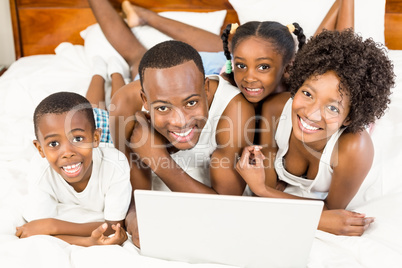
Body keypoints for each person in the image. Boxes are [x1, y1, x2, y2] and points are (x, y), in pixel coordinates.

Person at [236, 29, 395, 236]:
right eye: (307, 93)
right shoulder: (275, 110)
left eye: (333, 107)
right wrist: (265, 189)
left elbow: (332, 211)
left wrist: (262, 190)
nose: (311, 114)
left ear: (348, 117)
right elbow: (269, 186)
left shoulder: (354, 148)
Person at [124, 40, 255, 247]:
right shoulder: (125, 103)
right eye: (163, 108)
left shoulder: (234, 111)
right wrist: (133, 219)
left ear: (206, 89)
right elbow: (132, 196)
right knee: (132, 57)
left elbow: (224, 209)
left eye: (191, 103)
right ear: (145, 100)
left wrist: (157, 160)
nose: (180, 121)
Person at [16, 92, 132, 247]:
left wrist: (52, 226)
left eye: (77, 139)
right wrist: (87, 241)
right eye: (53, 144)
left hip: (106, 132)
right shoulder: (40, 170)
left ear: (95, 138)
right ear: (40, 149)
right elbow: (36, 229)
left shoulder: (115, 166)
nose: (67, 152)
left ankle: (114, 70)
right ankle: (98, 72)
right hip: (82, 125)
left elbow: (113, 228)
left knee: (117, 101)